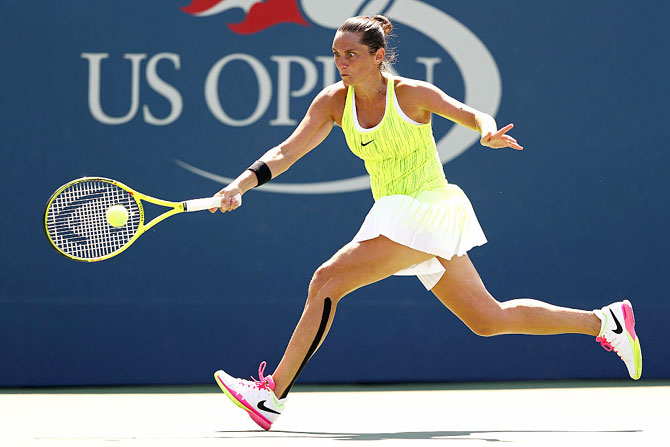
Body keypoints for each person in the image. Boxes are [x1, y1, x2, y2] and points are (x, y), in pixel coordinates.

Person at [209, 15, 642, 431]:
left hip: (429, 209)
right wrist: (240, 185)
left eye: (352, 55)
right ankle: (605, 322)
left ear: (379, 56)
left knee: (326, 282)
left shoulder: (412, 94)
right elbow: (287, 151)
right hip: (399, 214)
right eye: (337, 55)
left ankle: (272, 394)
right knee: (487, 318)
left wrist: (487, 133)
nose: (342, 63)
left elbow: (472, 115)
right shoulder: (331, 103)